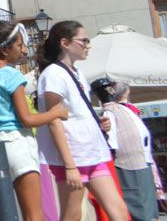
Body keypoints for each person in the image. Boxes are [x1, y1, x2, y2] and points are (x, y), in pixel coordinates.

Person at [0, 20, 67, 221]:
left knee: (5, 213)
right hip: (17, 144)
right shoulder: (11, 75)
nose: (23, 50)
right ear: (5, 50)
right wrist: (56, 112)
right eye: (19, 45)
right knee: (33, 214)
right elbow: (26, 119)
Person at [37, 20, 129, 221]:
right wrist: (69, 165)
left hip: (91, 152)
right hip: (73, 155)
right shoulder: (53, 73)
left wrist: (98, 124)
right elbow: (54, 119)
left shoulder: (77, 73)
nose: (88, 45)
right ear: (65, 43)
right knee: (72, 215)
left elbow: (77, 112)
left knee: (119, 212)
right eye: (84, 40)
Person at [94, 77, 158, 221]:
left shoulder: (119, 108)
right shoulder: (109, 111)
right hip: (128, 164)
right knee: (137, 202)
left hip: (139, 161)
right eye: (108, 88)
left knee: (144, 202)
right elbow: (111, 141)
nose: (110, 91)